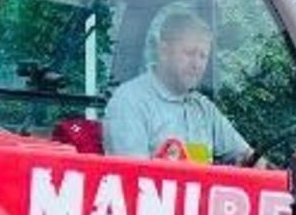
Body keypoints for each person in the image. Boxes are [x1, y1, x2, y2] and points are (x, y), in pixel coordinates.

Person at [102, 10, 258, 165]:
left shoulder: (203, 108)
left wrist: (274, 175)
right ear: (163, 51)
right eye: (189, 53)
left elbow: (247, 158)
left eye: (202, 56)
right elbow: (132, 179)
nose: (197, 64)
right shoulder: (130, 102)